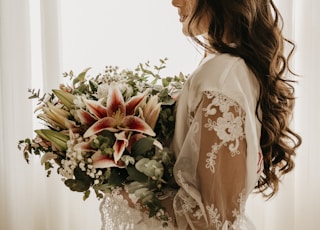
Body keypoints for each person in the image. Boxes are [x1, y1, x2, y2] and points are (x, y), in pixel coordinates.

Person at [100, 0, 301, 229]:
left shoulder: (220, 76)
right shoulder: (232, 69)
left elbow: (212, 219)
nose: (174, 2)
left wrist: (124, 191)